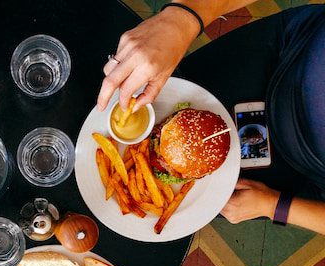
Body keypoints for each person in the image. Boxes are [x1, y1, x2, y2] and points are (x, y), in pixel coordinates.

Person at [97, 1, 325, 235]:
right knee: (178, 79)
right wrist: (180, 20)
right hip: (288, 47)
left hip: (297, 168)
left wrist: (275, 206)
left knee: (208, 199)